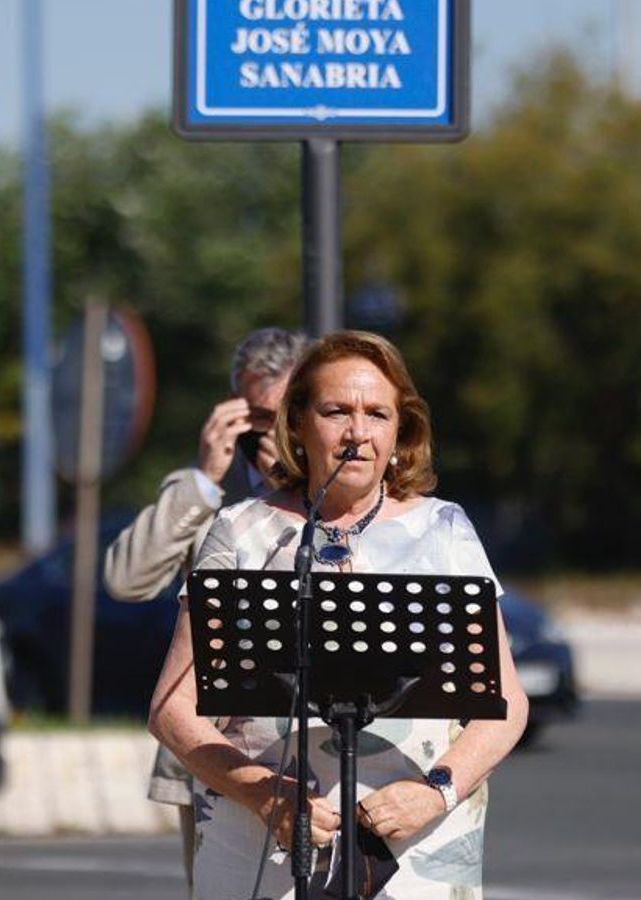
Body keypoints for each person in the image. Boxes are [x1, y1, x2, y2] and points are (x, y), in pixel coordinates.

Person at [149, 331, 528, 900]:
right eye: (336, 411)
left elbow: (507, 705)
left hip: (415, 839)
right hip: (259, 836)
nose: (357, 431)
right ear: (298, 423)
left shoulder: (445, 531)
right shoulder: (241, 532)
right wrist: (263, 795)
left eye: (377, 413)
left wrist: (435, 792)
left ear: (402, 430)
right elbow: (171, 707)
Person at [103, 327, 307, 881]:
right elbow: (126, 578)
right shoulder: (210, 496)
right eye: (260, 417)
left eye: (288, 413)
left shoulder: (335, 490)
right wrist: (202, 477)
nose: (276, 432)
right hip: (214, 751)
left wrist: (295, 481)